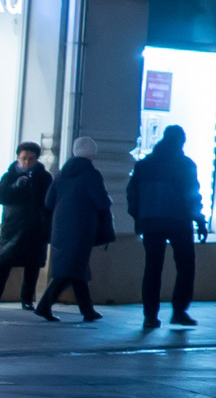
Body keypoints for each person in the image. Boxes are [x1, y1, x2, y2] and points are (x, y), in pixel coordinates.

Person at [128, 124, 206, 329]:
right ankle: (179, 311)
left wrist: (138, 217)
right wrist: (199, 220)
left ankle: (150, 316)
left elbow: (132, 195)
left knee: (152, 268)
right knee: (186, 266)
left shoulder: (144, 165)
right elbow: (192, 195)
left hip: (150, 222)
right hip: (178, 222)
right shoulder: (184, 164)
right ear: (181, 141)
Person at [37, 137, 115, 322]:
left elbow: (48, 201)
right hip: (82, 227)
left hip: (60, 227)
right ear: (92, 153)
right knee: (70, 270)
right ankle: (44, 305)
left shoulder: (61, 173)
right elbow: (101, 201)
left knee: (76, 269)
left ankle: (88, 311)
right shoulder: (91, 174)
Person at [0, 142, 51, 309]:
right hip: (12, 228)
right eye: (23, 158)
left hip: (35, 229)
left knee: (32, 266)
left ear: (37, 159)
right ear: (18, 158)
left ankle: (27, 300)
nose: (27, 162)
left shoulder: (44, 177)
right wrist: (17, 186)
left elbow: (48, 202)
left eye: (31, 159)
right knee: (4, 263)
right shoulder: (10, 176)